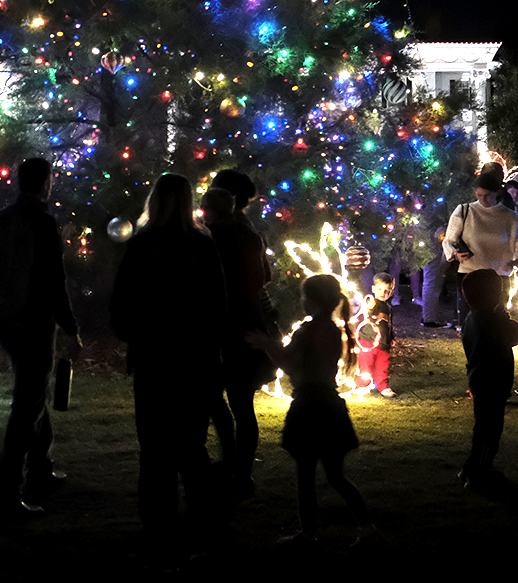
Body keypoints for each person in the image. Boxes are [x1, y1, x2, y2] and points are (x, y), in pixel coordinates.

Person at [110, 172, 225, 560]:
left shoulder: (143, 246)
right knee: (191, 444)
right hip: (195, 355)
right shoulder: (202, 246)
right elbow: (218, 302)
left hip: (156, 355)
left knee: (155, 444)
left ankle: (159, 522)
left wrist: (136, 336)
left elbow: (122, 303)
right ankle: (203, 522)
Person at [246, 274, 370, 542]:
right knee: (336, 476)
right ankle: (368, 529)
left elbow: (289, 365)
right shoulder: (334, 330)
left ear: (311, 302)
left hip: (308, 406)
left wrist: (266, 344)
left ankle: (307, 534)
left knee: (305, 475)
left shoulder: (307, 331)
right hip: (330, 405)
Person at [0, 157, 81, 515]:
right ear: (46, 183)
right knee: (27, 403)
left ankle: (40, 468)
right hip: (33, 319)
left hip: (7, 316)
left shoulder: (4, 217)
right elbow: (52, 280)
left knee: (32, 391)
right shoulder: (42, 221)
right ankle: (7, 490)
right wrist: (70, 326)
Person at [444, 167, 518, 490]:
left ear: (499, 193)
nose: (483, 200)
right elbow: (450, 240)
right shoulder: (464, 212)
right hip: (474, 280)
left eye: (488, 196)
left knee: (486, 331)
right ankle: (478, 471)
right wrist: (456, 251)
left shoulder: (509, 216)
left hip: (497, 279)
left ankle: (476, 468)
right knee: (488, 426)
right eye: (479, 195)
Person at [202, 173, 273, 494]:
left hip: (222, 324)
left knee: (213, 395)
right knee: (242, 403)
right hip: (249, 321)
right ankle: (240, 470)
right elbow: (265, 276)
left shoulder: (213, 235)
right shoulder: (250, 232)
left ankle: (230, 462)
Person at [355, 274, 396, 398]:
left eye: (387, 291)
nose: (383, 293)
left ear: (391, 292)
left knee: (382, 365)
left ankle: (383, 386)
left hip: (384, 342)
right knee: (366, 363)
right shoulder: (373, 304)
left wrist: (391, 337)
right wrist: (370, 305)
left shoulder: (388, 307)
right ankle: (363, 385)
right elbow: (369, 309)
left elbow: (389, 324)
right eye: (380, 289)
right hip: (368, 340)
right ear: (373, 289)